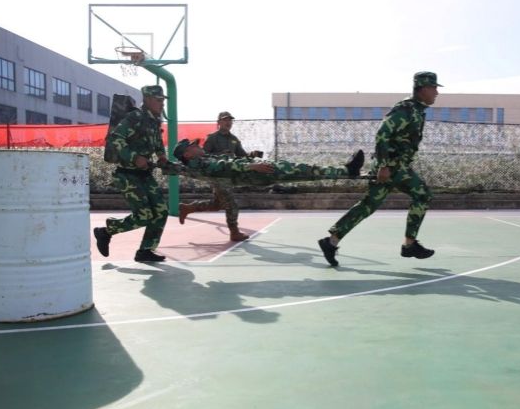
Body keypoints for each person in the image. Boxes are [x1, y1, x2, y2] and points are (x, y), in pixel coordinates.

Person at [317, 71, 442, 267]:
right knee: (422, 195)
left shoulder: (416, 110)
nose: (436, 92)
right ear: (423, 88)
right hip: (392, 167)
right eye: (433, 88)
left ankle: (331, 242)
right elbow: (382, 134)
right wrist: (383, 166)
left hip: (394, 167)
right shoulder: (406, 109)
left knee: (368, 205)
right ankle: (409, 245)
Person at [93, 85, 170, 263]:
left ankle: (145, 250)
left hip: (144, 174)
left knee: (161, 211)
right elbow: (115, 138)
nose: (162, 104)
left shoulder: (154, 121)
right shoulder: (135, 117)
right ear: (148, 100)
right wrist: (134, 157)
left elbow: (157, 142)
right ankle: (106, 231)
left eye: (163, 100)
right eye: (159, 100)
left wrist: (162, 157)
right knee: (144, 216)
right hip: (127, 174)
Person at [178, 111, 264, 241]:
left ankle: (188, 207)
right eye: (225, 120)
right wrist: (221, 155)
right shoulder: (212, 138)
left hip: (228, 174)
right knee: (231, 204)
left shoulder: (234, 139)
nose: (228, 122)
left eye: (230, 120)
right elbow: (203, 156)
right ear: (219, 122)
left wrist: (252, 154)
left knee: (218, 204)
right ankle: (234, 232)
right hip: (216, 174)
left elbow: (241, 156)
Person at [167, 137, 364, 186]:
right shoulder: (200, 163)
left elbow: (228, 161)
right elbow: (224, 166)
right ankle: (347, 171)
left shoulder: (200, 160)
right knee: (304, 169)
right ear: (188, 154)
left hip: (255, 171)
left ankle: (345, 171)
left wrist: (250, 158)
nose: (198, 145)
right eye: (193, 146)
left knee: (304, 171)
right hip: (256, 172)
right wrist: (251, 165)